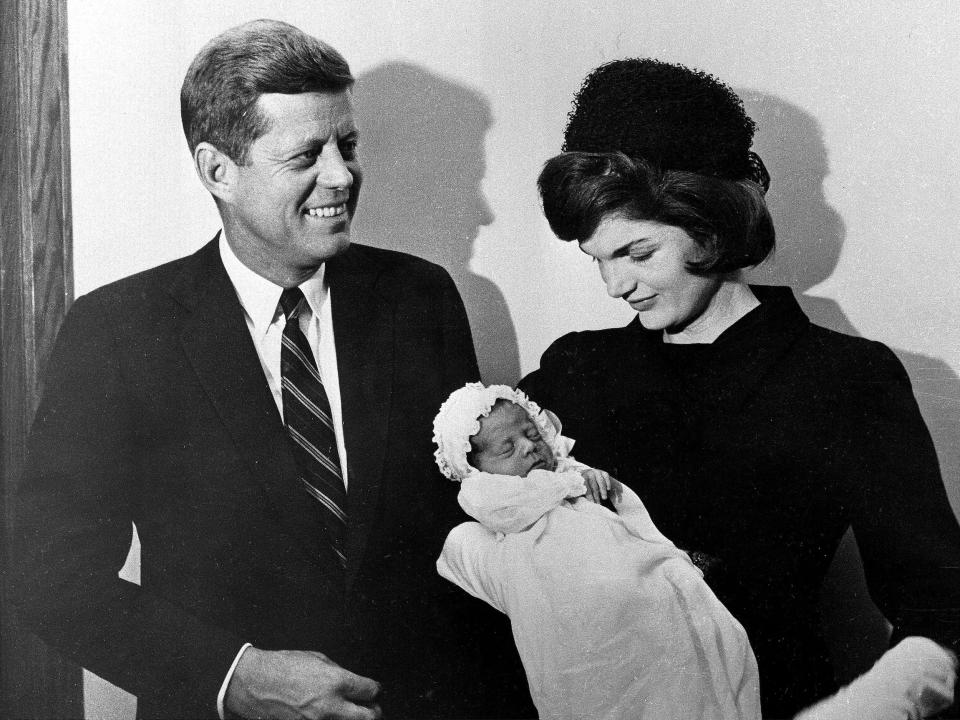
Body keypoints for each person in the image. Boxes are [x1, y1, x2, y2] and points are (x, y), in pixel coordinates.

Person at [13, 20, 533, 720]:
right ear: (217, 170)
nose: (342, 175)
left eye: (347, 146)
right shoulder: (117, 332)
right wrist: (233, 676)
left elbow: (476, 526)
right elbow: (52, 576)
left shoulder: (421, 299)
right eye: (306, 155)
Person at [519, 58, 960, 717]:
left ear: (712, 224)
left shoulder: (846, 381)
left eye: (638, 253)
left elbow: (942, 611)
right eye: (599, 260)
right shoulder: (574, 372)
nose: (616, 287)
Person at [433, 382, 762, 720]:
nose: (530, 448)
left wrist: (589, 477)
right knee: (597, 671)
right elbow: (508, 510)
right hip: (567, 599)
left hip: (626, 576)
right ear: (475, 469)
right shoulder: (488, 492)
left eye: (532, 434)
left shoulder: (567, 470)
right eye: (507, 449)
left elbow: (624, 513)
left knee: (671, 642)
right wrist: (568, 484)